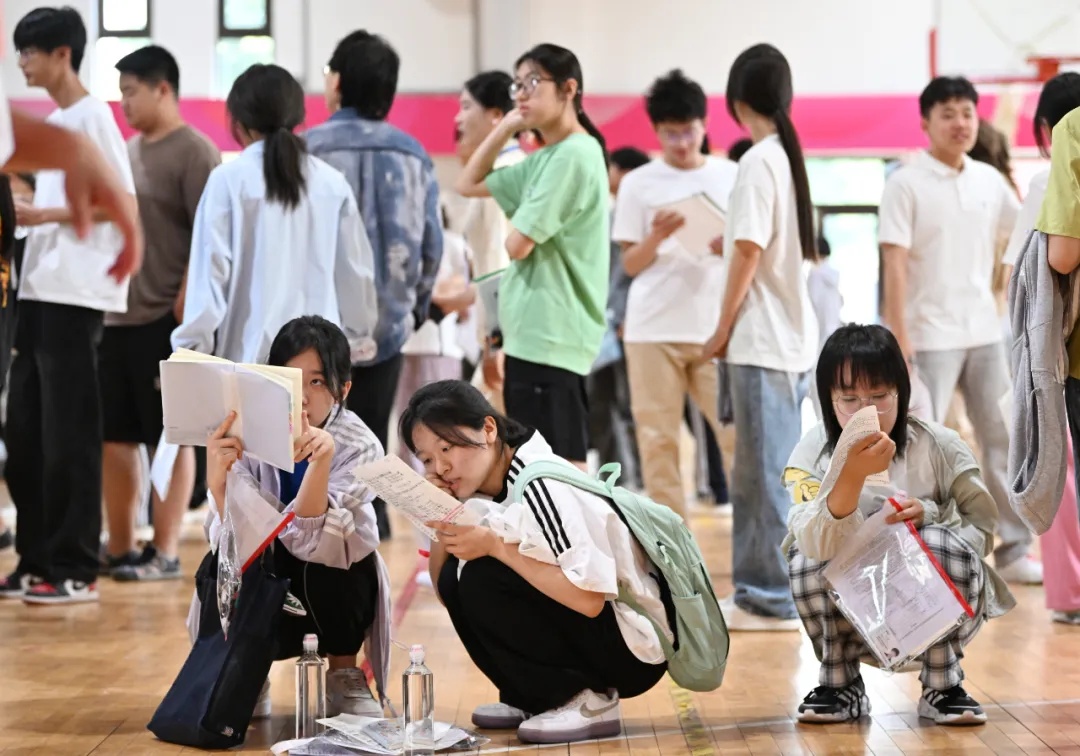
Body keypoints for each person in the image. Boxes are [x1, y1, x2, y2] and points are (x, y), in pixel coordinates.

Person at [400, 379, 669, 744]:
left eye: (447, 447)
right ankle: (531, 695)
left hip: (633, 647)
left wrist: (495, 546)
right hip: (601, 630)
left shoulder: (539, 482)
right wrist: (441, 515)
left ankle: (585, 699)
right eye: (428, 459)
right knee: (457, 575)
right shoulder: (484, 484)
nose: (442, 467)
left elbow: (590, 600)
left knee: (484, 573)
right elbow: (446, 590)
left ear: (489, 429)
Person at [784, 324, 1013, 725]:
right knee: (805, 561)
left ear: (901, 392)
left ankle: (943, 684)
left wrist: (931, 518)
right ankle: (840, 684)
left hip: (930, 606)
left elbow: (982, 525)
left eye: (878, 396)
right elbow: (812, 541)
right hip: (850, 604)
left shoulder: (940, 444)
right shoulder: (813, 450)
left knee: (943, 545)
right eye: (849, 399)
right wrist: (850, 477)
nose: (865, 411)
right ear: (827, 400)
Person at [1, 6, 137, 603]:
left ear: (62, 54)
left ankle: (76, 564)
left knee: (69, 434)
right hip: (37, 289)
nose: (21, 62)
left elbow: (120, 202)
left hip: (75, 295)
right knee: (24, 431)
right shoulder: (58, 121)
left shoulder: (93, 119)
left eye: (29, 51)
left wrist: (42, 213)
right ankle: (35, 557)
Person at [877, 76, 1037, 584]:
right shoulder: (905, 182)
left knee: (1002, 441)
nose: (960, 122)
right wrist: (899, 338)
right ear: (926, 122)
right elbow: (894, 265)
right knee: (923, 447)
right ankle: (918, 548)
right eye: (948, 113)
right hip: (927, 336)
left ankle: (1013, 548)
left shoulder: (989, 181)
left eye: (968, 112)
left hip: (985, 332)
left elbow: (1029, 227)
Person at [199, 315, 388, 718]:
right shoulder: (245, 432)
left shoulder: (362, 447)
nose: (301, 396)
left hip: (327, 582)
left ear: (343, 389)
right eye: (288, 379)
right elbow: (230, 534)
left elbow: (313, 541)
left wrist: (321, 463)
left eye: (317, 382)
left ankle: (343, 673)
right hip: (268, 572)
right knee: (224, 560)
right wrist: (218, 484)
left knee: (347, 552)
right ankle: (249, 672)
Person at [306, 31, 443, 538]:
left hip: (318, 322)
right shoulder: (412, 154)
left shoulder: (306, 149)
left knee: (315, 426)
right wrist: (416, 308)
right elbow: (432, 243)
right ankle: (373, 515)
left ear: (337, 81)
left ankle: (316, 509)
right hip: (389, 319)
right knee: (372, 424)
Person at [702, 44, 819, 630]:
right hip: (788, 343)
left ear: (737, 100)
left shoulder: (758, 160)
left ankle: (769, 595)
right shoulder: (787, 157)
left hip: (763, 343)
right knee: (761, 474)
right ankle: (761, 591)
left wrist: (720, 329)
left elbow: (750, 249)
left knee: (763, 476)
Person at [97, 45, 221, 581]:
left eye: (131, 91)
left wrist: (189, 295)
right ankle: (122, 546)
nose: (123, 102)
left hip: (165, 319)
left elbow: (211, 232)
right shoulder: (126, 151)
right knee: (115, 435)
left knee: (169, 435)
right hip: (115, 314)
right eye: (120, 91)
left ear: (162, 89)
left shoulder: (195, 151)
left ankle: (165, 550)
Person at [454, 43, 610, 468]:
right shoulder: (549, 156)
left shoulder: (575, 154)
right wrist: (507, 125)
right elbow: (469, 181)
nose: (521, 93)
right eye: (517, 84)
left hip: (552, 335)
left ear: (569, 89)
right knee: (532, 474)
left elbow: (516, 244)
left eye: (533, 83)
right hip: (533, 335)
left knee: (557, 476)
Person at [171, 63, 377, 365]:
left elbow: (209, 279)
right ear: (297, 116)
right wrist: (356, 343)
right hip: (321, 368)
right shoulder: (332, 184)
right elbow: (356, 278)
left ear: (238, 123)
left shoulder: (228, 181)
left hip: (248, 365)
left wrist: (191, 353)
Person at [612, 69, 737, 520]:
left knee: (734, 435)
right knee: (657, 439)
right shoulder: (638, 183)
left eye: (688, 131)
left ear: (704, 125)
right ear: (656, 132)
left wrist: (731, 247)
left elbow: (751, 250)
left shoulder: (732, 175)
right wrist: (657, 236)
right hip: (651, 329)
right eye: (670, 133)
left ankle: (752, 544)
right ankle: (673, 549)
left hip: (715, 329)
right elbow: (629, 264)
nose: (681, 143)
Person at [453, 70, 525, 412]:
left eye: (467, 106)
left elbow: (499, 259)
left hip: (509, 333)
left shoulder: (502, 175)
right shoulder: (508, 167)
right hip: (509, 326)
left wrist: (496, 343)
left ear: (497, 115)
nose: (458, 117)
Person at [588, 146, 648, 490]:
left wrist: (621, 315)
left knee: (617, 407)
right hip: (613, 327)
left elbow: (623, 276)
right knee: (614, 407)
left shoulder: (620, 217)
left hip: (617, 327)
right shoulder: (616, 214)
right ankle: (624, 477)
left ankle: (626, 478)